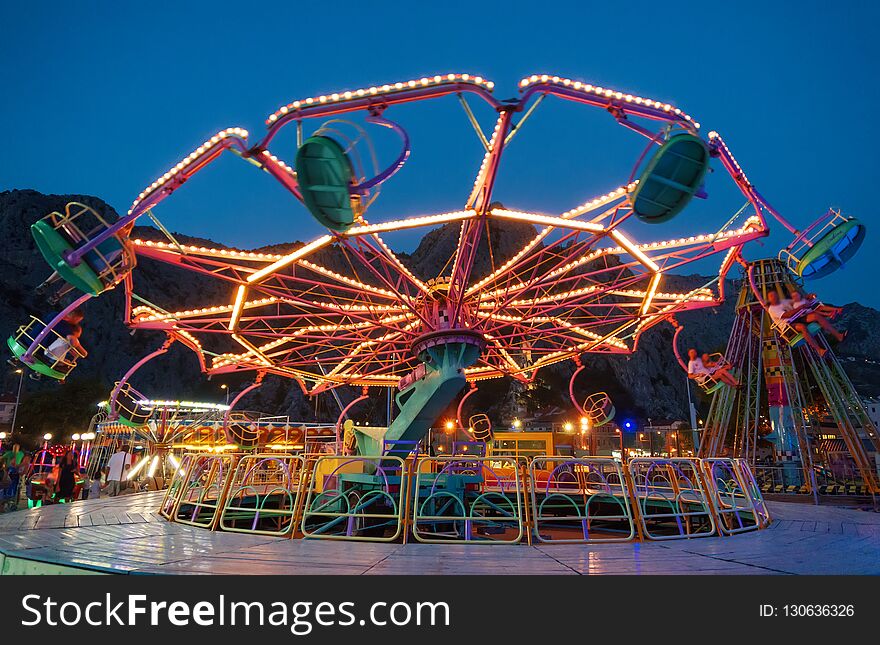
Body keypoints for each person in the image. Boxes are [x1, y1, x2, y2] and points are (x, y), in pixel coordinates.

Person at [766, 290, 844, 357]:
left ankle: (838, 335)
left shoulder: (783, 302)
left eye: (775, 294)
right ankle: (819, 350)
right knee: (802, 327)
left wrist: (808, 297)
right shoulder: (772, 309)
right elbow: (787, 315)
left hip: (797, 318)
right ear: (769, 299)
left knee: (815, 316)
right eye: (771, 296)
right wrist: (801, 307)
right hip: (787, 326)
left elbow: (796, 301)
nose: (774, 296)